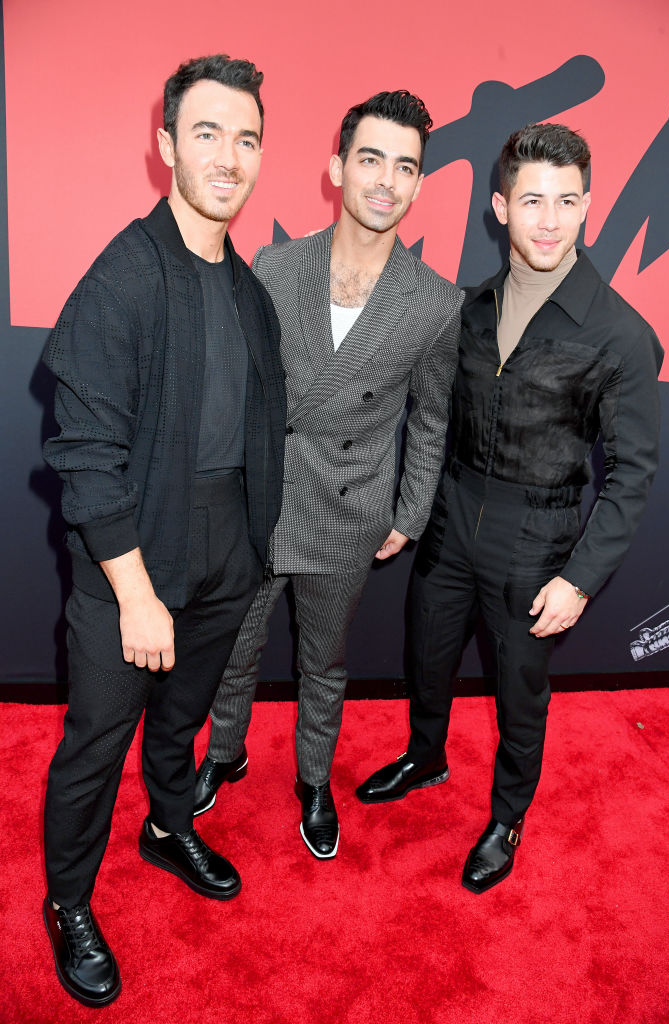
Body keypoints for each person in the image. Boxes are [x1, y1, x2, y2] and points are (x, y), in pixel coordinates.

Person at [357, 123, 664, 893]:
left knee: (518, 691)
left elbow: (630, 476)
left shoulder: (622, 335)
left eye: (566, 201)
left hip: (539, 539)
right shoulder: (466, 308)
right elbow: (429, 418)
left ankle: (506, 816)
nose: (549, 220)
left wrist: (579, 581)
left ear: (588, 207)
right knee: (426, 657)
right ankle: (425, 755)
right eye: (531, 200)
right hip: (453, 515)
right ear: (499, 207)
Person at [41, 55, 286, 1007]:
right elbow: (86, 456)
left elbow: (262, 431)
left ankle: (166, 824)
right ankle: (67, 902)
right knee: (96, 742)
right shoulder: (123, 277)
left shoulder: (249, 293)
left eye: (247, 138)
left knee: (182, 719)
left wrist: (258, 547)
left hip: (228, 546)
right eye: (207, 133)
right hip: (132, 562)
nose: (229, 156)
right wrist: (136, 595)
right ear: (166, 147)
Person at [195, 91, 463, 860]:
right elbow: (238, 390)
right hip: (263, 499)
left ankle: (313, 780)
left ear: (417, 185)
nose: (385, 180)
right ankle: (223, 753)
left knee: (324, 661)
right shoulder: (276, 266)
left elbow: (432, 416)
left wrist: (408, 513)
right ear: (336, 167)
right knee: (234, 649)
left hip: (349, 511)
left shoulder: (435, 303)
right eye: (370, 158)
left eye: (404, 167)